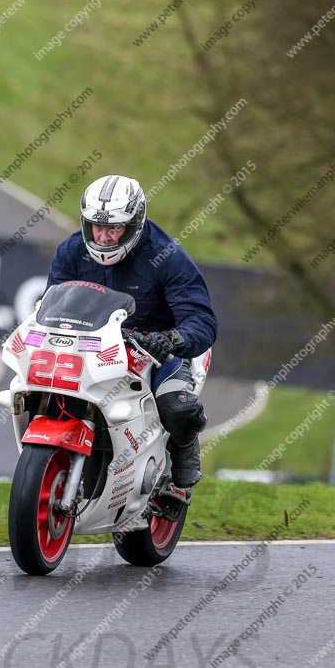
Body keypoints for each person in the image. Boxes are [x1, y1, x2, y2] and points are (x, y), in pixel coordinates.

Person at [46, 174, 217, 510]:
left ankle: (183, 465)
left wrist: (171, 339)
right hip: (91, 346)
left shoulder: (166, 257)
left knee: (177, 406)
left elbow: (202, 320)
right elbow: (49, 304)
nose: (104, 235)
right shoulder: (70, 251)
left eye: (115, 228)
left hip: (155, 351)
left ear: (135, 222)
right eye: (96, 226)